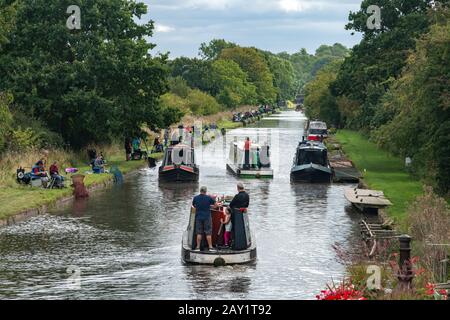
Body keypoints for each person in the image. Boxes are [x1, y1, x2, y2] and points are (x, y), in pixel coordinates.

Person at [192, 186, 217, 252]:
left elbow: (194, 206)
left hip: (198, 217)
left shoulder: (196, 198)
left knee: (199, 232)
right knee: (208, 232)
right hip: (207, 217)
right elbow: (216, 205)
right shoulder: (209, 198)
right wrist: (211, 207)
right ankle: (210, 247)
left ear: (200, 191)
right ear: (205, 191)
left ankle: (197, 247)